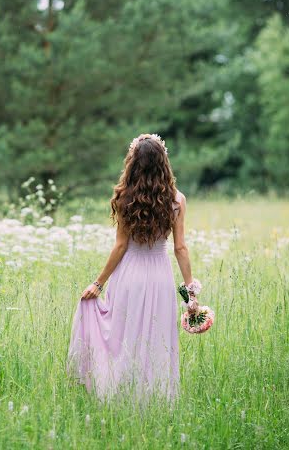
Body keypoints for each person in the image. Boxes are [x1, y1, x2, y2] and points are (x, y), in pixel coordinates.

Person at [66, 133, 198, 405]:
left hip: (129, 277)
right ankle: (155, 401)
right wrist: (191, 295)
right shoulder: (177, 200)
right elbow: (180, 248)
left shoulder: (125, 198)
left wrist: (98, 283)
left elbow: (120, 247)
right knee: (157, 340)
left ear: (133, 163)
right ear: (163, 162)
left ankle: (120, 395)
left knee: (123, 338)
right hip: (160, 277)